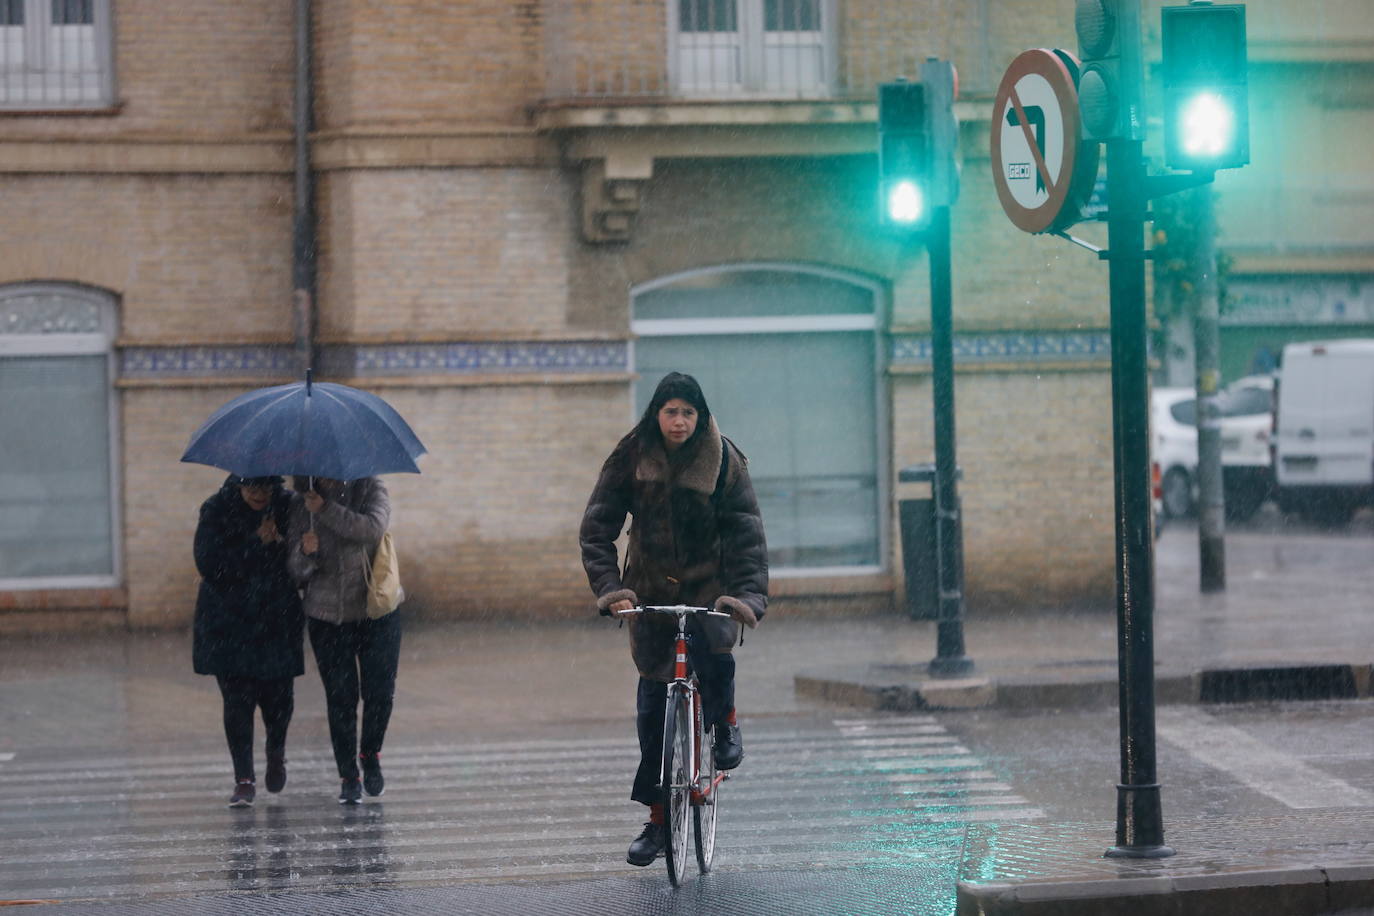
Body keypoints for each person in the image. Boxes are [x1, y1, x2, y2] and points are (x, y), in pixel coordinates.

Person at [580, 371, 768, 866]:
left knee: (715, 657)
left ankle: (725, 721)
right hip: (648, 591)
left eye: (688, 412)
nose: (679, 421)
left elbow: (748, 537)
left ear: (699, 416)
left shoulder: (724, 459)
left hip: (712, 589)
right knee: (652, 714)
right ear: (656, 415)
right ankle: (659, 821)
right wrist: (610, 590)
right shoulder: (631, 454)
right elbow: (597, 528)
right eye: (670, 412)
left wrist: (747, 596)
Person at [192, 474, 304, 808]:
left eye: (267, 487)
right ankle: (243, 778)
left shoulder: (288, 507)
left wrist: (291, 544)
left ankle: (276, 752)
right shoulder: (216, 509)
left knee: (278, 700)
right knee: (237, 703)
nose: (260, 495)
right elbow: (210, 565)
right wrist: (256, 541)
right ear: (238, 485)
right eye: (253, 488)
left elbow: (300, 562)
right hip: (230, 623)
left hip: (276, 619)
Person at [287, 475, 400, 805]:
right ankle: (348, 775)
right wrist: (306, 554)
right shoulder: (300, 505)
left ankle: (370, 753)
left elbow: (372, 529)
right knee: (341, 699)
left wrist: (326, 509)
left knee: (380, 692)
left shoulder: (370, 488)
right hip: (327, 617)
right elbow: (295, 571)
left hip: (376, 610)